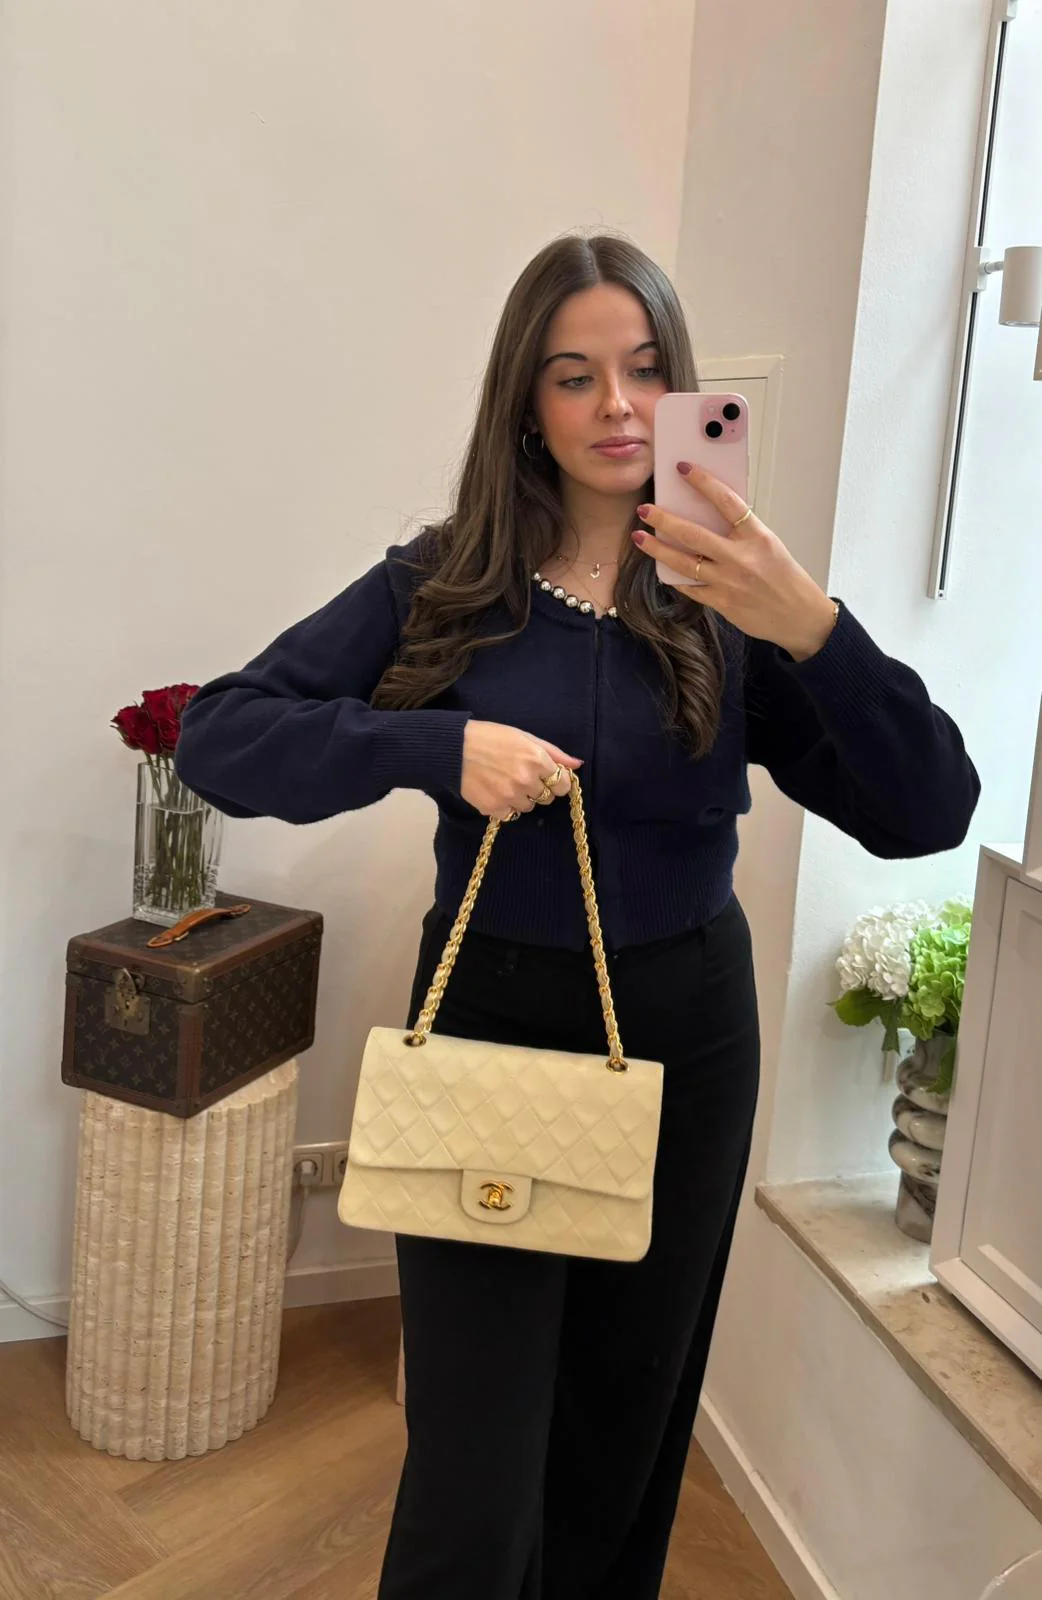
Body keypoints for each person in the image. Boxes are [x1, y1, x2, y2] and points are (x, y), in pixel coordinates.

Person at [174, 231, 980, 1599]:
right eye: (573, 375)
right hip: (485, 1033)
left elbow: (929, 809)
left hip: (686, 1046)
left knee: (623, 1432)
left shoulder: (732, 598)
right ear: (525, 404)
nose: (615, 404)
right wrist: (437, 747)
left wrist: (812, 625)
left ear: (683, 388)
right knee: (473, 1474)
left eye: (645, 369)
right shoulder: (443, 582)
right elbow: (221, 736)